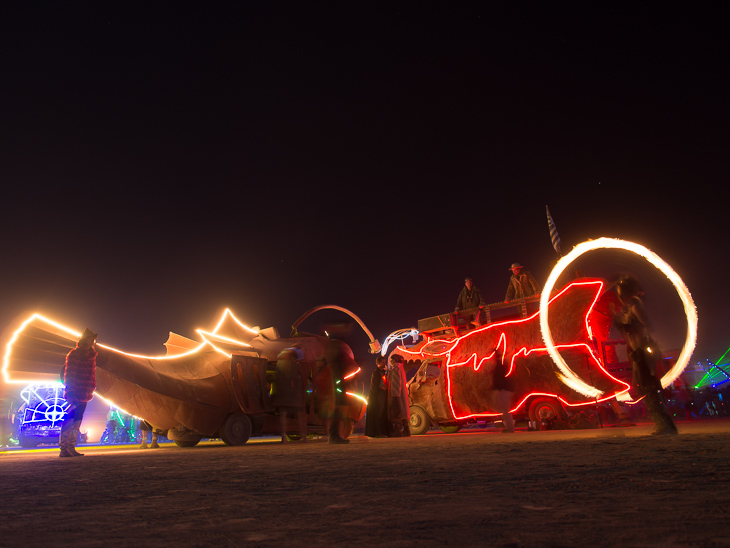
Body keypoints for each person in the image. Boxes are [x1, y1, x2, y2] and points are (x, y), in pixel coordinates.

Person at [613, 276, 677, 436]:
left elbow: (649, 325)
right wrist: (618, 319)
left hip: (643, 351)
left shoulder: (635, 304)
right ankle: (661, 423)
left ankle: (666, 425)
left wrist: (626, 324)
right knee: (641, 387)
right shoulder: (629, 306)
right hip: (637, 352)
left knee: (650, 387)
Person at [59, 328, 98, 457]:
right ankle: (64, 449)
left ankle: (71, 447)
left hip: (85, 392)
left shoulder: (92, 355)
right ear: (84, 340)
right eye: (90, 339)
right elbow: (69, 373)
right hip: (75, 391)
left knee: (78, 420)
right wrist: (70, 390)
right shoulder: (75, 354)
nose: (92, 342)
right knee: (69, 419)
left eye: (93, 340)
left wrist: (91, 387)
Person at [270, 348, 307, 443]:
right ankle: (304, 436)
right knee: (299, 415)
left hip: (281, 394)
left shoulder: (279, 363)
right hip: (293, 394)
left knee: (283, 415)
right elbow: (296, 379)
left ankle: (283, 437)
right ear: (292, 357)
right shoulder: (293, 365)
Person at [490, 346, 515, 433]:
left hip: (503, 389)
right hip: (504, 389)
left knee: (505, 409)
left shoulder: (499, 365)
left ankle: (510, 428)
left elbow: (499, 378)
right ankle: (509, 427)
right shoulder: (501, 365)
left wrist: (497, 388)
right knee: (505, 409)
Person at [387, 354, 410, 437]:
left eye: (392, 359)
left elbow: (396, 382)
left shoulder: (395, 368)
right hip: (402, 393)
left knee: (397, 411)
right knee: (404, 411)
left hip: (397, 394)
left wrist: (395, 394)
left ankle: (398, 430)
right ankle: (406, 429)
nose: (390, 361)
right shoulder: (401, 368)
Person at [312, 356, 335, 440]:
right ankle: (327, 433)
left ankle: (328, 434)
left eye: (319, 361)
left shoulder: (326, 370)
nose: (317, 363)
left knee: (326, 417)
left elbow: (325, 383)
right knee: (325, 417)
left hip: (327, 396)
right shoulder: (322, 371)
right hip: (324, 396)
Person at [365, 356, 388, 438]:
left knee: (381, 413)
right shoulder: (376, 373)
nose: (384, 363)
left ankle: (381, 431)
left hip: (382, 393)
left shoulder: (383, 372)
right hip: (379, 394)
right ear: (378, 363)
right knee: (379, 413)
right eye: (382, 362)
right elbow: (374, 386)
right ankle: (378, 432)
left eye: (384, 362)